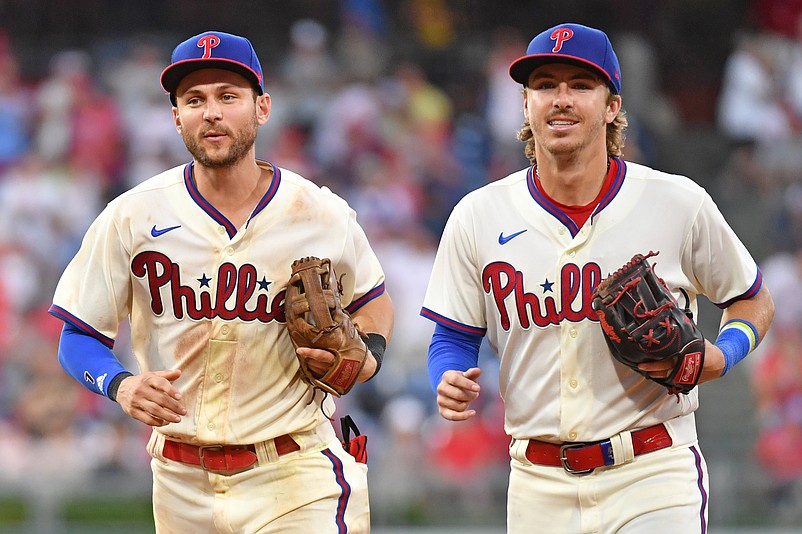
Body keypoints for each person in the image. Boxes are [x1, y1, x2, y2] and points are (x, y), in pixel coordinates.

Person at [420, 22, 774, 533]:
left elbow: (752, 299)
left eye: (580, 85)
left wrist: (726, 351)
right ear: (525, 104)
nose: (560, 99)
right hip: (537, 483)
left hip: (652, 470)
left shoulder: (677, 203)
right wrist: (447, 376)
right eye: (545, 85)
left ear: (612, 107)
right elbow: (453, 335)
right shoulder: (478, 215)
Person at [48, 30, 393, 533]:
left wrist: (369, 356)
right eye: (195, 100)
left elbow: (373, 301)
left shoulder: (319, 212)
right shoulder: (132, 216)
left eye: (228, 97)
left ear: (262, 108)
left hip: (295, 471)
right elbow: (77, 335)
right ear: (176, 117)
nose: (211, 112)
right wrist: (119, 385)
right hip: (179, 482)